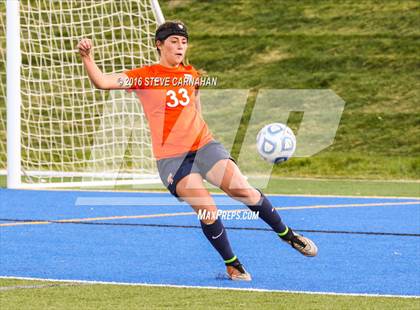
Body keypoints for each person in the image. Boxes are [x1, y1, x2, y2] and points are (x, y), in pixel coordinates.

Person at [77, 20, 317, 281]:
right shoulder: (143, 76)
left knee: (242, 190)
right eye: (174, 41)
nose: (180, 46)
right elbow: (102, 81)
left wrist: (205, 140)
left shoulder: (192, 75)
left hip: (204, 146)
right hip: (172, 159)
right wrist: (88, 58)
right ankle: (232, 264)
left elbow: (195, 108)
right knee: (207, 209)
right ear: (159, 45)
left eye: (184, 42)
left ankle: (288, 235)